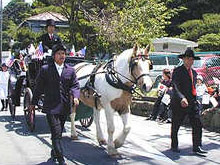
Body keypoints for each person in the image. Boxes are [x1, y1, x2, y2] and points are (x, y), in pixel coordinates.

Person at [29, 43, 80, 165]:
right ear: (54, 56)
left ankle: (54, 153)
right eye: (59, 54)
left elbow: (75, 85)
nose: (62, 56)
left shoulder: (70, 70)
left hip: (64, 107)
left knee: (59, 132)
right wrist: (33, 102)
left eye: (63, 53)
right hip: (51, 107)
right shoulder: (46, 69)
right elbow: (39, 87)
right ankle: (62, 160)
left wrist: (76, 96)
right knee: (56, 134)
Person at [170, 48, 207, 154]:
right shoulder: (178, 71)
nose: (190, 61)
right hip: (179, 102)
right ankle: (174, 145)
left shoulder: (194, 73)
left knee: (197, 124)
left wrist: (196, 100)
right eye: (188, 59)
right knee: (176, 124)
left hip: (192, 102)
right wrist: (182, 97)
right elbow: (175, 86)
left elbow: (193, 88)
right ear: (184, 59)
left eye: (191, 59)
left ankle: (197, 146)